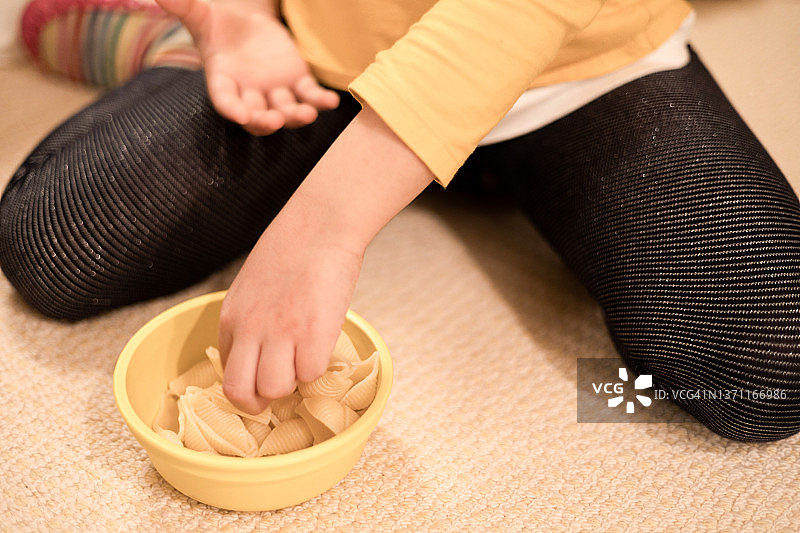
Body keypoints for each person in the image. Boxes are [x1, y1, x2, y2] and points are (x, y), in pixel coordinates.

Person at [3, 0, 799, 442]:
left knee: (769, 377)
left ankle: (449, 170)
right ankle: (150, 34)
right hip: (329, 55)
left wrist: (326, 224)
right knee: (49, 248)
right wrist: (227, 17)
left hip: (580, 61)